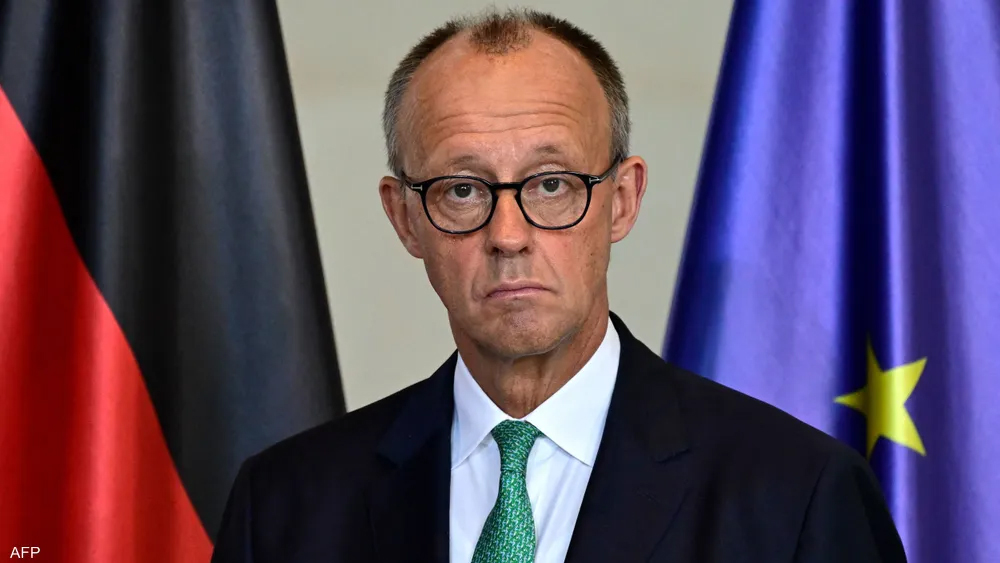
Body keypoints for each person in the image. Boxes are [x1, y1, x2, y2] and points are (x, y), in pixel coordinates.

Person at [212, 8, 906, 563]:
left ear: (622, 201)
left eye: (551, 185)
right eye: (462, 189)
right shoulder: (284, 506)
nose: (508, 235)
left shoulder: (797, 496)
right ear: (405, 219)